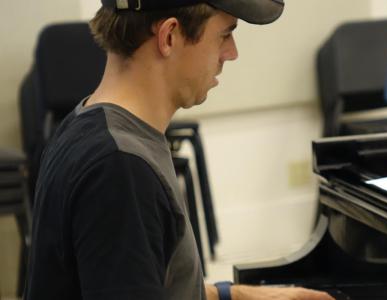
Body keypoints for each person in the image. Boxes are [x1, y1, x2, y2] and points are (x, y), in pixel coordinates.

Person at [24, 0, 334, 299]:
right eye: (225, 34)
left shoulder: (86, 125)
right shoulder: (119, 169)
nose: (232, 53)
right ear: (169, 36)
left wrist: (238, 295)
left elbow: (149, 284)